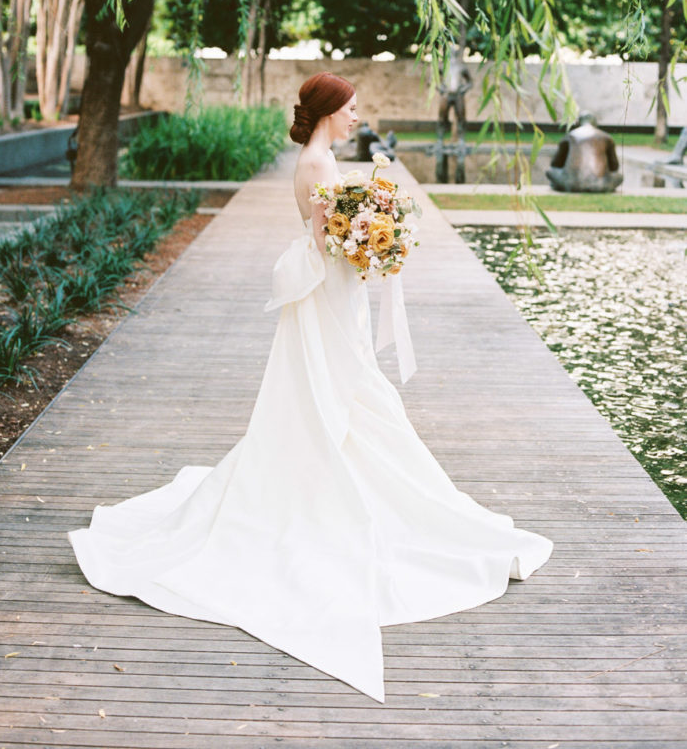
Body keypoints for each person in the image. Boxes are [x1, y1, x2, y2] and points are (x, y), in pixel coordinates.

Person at [69, 71, 552, 702]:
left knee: (351, 394)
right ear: (329, 112)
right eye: (352, 108)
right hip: (329, 298)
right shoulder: (318, 166)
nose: (358, 116)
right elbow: (331, 244)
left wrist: (377, 234)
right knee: (337, 393)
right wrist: (376, 242)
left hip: (335, 298)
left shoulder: (322, 159)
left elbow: (337, 238)